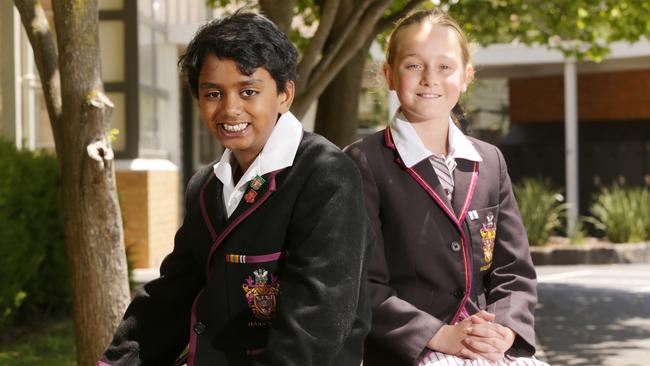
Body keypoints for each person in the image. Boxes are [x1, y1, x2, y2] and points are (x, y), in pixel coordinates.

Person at [98, 10, 373, 366]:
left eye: (248, 91)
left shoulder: (327, 176)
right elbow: (172, 295)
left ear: (284, 94)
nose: (230, 109)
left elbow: (315, 323)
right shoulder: (206, 186)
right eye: (213, 93)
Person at [345, 8, 548, 366]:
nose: (429, 79)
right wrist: (441, 336)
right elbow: (363, 284)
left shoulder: (490, 161)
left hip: (484, 345)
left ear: (467, 76)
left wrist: (503, 331)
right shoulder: (363, 162)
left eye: (445, 67)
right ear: (389, 75)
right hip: (409, 351)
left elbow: (513, 271)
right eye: (413, 65)